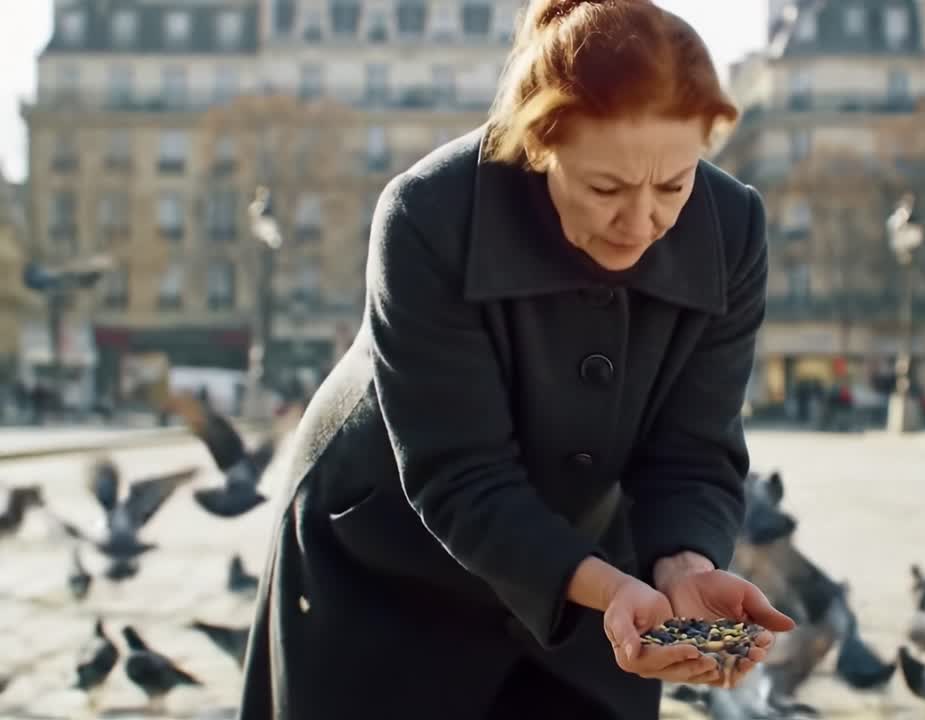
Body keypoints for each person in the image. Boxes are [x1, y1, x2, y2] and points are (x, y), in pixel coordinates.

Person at [236, 1, 794, 719]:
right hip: (387, 562)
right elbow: (461, 475)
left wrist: (684, 567)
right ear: (539, 144)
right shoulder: (426, 213)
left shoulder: (733, 227)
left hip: (593, 572)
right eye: (606, 188)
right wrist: (611, 590)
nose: (642, 221)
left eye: (673, 185)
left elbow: (694, 449)